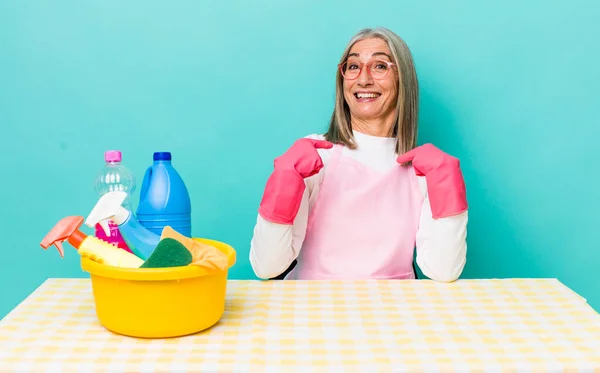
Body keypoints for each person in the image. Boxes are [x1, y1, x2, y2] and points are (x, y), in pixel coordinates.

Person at [249, 27, 468, 282]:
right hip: (313, 310)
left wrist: (447, 190)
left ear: (403, 79)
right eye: (353, 66)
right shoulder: (315, 158)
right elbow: (267, 267)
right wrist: (284, 182)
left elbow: (444, 271)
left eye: (379, 66)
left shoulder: (424, 171)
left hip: (395, 312)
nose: (363, 79)